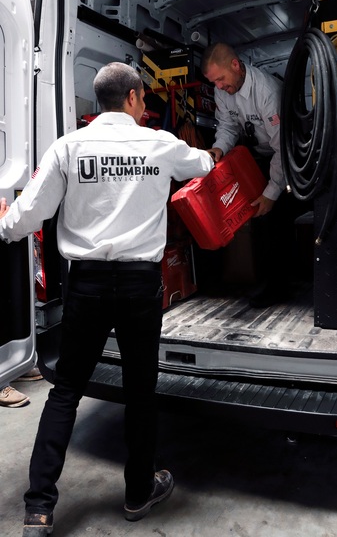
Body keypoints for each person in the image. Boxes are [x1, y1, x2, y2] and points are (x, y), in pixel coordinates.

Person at [0, 62, 214, 536]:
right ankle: (139, 493)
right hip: (140, 286)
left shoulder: (69, 147)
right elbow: (202, 165)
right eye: (143, 99)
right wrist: (213, 154)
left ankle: (38, 509)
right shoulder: (159, 143)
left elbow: (29, 214)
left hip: (87, 285)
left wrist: (4, 224)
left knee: (65, 391)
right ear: (134, 97)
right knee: (140, 391)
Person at [201, 42, 301, 307]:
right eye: (214, 82)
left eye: (220, 79)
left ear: (235, 65)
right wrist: (219, 148)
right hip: (258, 155)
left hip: (286, 155)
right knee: (254, 217)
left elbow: (282, 147)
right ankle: (255, 279)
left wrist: (271, 193)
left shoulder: (267, 92)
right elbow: (227, 127)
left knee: (276, 217)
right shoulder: (222, 90)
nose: (218, 86)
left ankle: (280, 288)